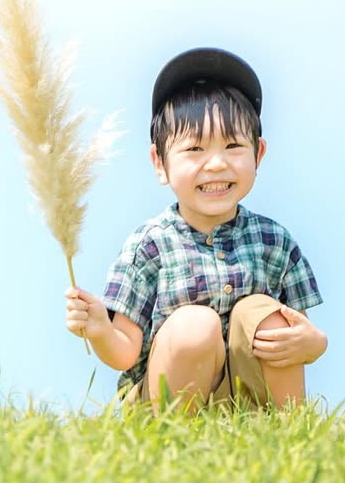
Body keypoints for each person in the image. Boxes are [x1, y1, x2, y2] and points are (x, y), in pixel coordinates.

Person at [65, 48, 326, 410]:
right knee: (195, 326)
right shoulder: (151, 244)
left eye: (233, 145)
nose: (216, 163)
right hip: (170, 400)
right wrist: (100, 329)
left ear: (258, 155)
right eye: (195, 149)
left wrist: (314, 343)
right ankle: (171, 439)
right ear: (160, 163)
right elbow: (125, 353)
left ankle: (287, 433)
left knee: (265, 315)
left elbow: (297, 328)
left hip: (248, 404)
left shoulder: (274, 242)